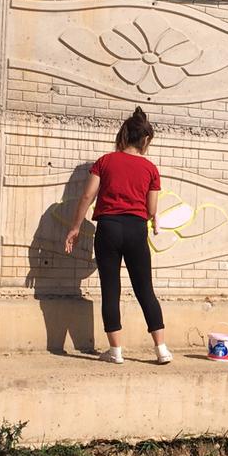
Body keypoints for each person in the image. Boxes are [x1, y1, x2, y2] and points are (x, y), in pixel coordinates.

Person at [64, 107, 171, 365]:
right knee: (145, 288)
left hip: (109, 228)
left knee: (111, 289)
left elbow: (88, 196)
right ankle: (161, 349)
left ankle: (116, 352)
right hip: (135, 229)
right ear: (145, 140)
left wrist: (75, 227)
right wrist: (153, 218)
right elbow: (151, 208)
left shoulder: (105, 161)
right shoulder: (150, 168)